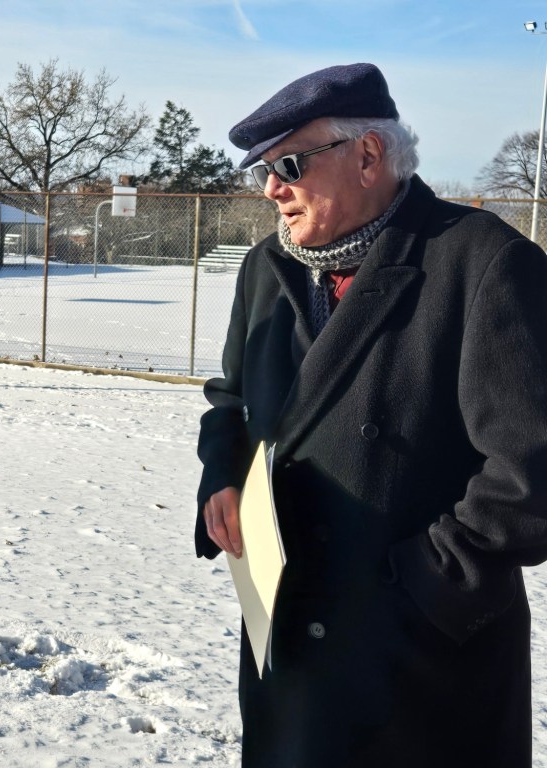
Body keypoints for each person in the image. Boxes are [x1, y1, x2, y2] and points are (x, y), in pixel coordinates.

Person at [196, 63, 547, 767]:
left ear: (367, 155)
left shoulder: (484, 263)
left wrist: (421, 591)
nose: (272, 187)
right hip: (287, 639)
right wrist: (221, 478)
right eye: (263, 168)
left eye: (290, 162)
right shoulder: (266, 267)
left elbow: (530, 474)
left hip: (418, 671)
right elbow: (232, 397)